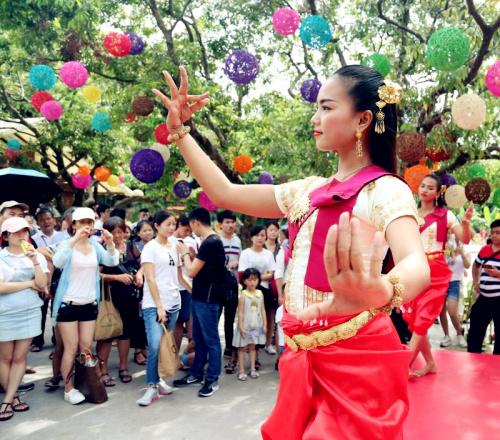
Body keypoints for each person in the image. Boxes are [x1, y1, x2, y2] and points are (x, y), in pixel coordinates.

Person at [153, 64, 430, 438]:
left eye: (327, 108)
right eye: (316, 107)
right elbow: (225, 194)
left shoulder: (384, 190)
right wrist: (180, 132)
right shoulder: (307, 190)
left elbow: (416, 262)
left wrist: (380, 290)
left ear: (363, 119)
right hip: (301, 351)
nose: (315, 118)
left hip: (355, 357)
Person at [404, 174, 473, 377]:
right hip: (414, 269)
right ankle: (431, 364)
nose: (424, 189)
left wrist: (467, 222)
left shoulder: (446, 215)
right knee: (417, 321)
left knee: (423, 318)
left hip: (436, 272)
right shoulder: (410, 214)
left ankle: (403, 366)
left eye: (430, 187)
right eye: (422, 185)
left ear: (438, 192)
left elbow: (465, 239)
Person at [52, 207, 118, 405]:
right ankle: (68, 388)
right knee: (70, 348)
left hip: (90, 303)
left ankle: (84, 383)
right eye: (81, 222)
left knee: (86, 347)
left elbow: (111, 261)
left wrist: (111, 243)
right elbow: (58, 262)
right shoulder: (66, 244)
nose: (86, 226)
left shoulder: (95, 246)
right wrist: (73, 241)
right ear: (73, 224)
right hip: (68, 303)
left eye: (89, 222)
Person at [136, 211, 190, 406]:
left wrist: (194, 292)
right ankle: (151, 386)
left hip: (174, 302)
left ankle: (159, 381)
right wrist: (159, 306)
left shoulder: (175, 246)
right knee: (154, 345)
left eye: (173, 224)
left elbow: (180, 276)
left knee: (165, 344)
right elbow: (150, 278)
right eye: (168, 224)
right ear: (157, 225)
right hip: (154, 305)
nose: (171, 227)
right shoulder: (150, 248)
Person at [174, 207, 226, 398]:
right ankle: (196, 373)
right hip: (200, 296)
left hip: (208, 299)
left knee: (210, 339)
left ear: (196, 222)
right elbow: (205, 268)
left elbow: (191, 271)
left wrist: (184, 254)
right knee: (199, 338)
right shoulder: (209, 241)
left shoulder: (210, 242)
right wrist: (193, 257)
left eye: (191, 225)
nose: (191, 230)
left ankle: (212, 379)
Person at [0, 217, 48, 421]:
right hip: (4, 312)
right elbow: (1, 287)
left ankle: (8, 399)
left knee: (20, 357)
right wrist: (28, 284)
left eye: (24, 231)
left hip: (29, 312)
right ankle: (13, 398)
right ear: (5, 236)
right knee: (4, 358)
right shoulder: (0, 257)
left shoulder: (36, 256)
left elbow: (41, 284)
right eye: (16, 232)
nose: (21, 235)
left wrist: (35, 261)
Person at [96, 217, 143, 386]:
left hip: (129, 297)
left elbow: (143, 264)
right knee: (107, 334)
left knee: (126, 333)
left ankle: (123, 367)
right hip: (109, 298)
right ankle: (102, 370)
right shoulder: (102, 249)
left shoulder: (131, 247)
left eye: (120, 231)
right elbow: (96, 274)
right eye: (113, 232)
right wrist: (116, 277)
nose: (117, 236)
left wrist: (139, 274)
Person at [31, 208, 66, 352]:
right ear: (38, 223)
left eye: (48, 218)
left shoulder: (63, 237)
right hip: (41, 275)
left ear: (54, 220)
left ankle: (56, 338)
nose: (46, 222)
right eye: (41, 219)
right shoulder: (34, 239)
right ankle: (37, 340)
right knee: (41, 307)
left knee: (57, 307)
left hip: (60, 274)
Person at [238, 225, 276, 356]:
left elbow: (271, 273)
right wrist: (257, 278)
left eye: (262, 235)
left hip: (265, 288)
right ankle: (248, 344)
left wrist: (256, 277)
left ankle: (266, 343)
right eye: (257, 235)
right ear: (251, 237)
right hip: (249, 290)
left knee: (268, 316)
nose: (260, 238)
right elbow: (244, 273)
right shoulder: (245, 253)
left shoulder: (269, 254)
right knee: (250, 317)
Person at [468, 219, 500, 354]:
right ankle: (473, 357)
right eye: (492, 233)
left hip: (499, 299)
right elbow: (475, 266)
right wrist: (476, 282)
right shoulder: (485, 250)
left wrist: (498, 274)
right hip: (484, 298)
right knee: (475, 330)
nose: (494, 236)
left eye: (498, 233)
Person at [233, 268, 267, 381]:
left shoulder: (260, 294)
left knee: (253, 347)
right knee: (242, 348)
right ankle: (241, 371)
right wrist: (241, 327)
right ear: (244, 281)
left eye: (255, 279)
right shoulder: (243, 295)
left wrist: (265, 324)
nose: (252, 282)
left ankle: (253, 369)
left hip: (256, 325)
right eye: (250, 279)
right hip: (245, 326)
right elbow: (241, 312)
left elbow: (262, 310)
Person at [217, 209, 241, 367]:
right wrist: (226, 265)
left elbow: (240, 259)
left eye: (232, 222)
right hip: (218, 282)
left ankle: (229, 347)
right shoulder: (216, 240)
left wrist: (237, 264)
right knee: (216, 315)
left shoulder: (238, 240)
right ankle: (213, 348)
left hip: (233, 283)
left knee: (230, 317)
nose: (230, 225)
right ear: (220, 224)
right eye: (227, 222)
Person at [439, 239, 470, 348]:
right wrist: (449, 255)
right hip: (441, 282)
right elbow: (439, 266)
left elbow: (467, 265)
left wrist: (461, 253)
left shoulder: (464, 252)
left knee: (452, 311)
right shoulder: (444, 250)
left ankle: (459, 334)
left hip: (454, 283)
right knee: (441, 311)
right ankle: (446, 335)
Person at [172, 216, 196, 351]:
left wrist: (191, 255)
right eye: (186, 230)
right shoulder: (169, 242)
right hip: (172, 287)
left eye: (190, 231)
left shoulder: (189, 242)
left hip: (185, 286)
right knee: (171, 323)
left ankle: (175, 354)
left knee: (181, 322)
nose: (188, 234)